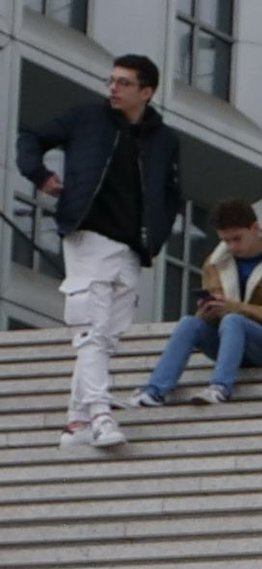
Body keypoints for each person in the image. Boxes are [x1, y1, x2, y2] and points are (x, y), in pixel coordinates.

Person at [30, 48, 177, 457]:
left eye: (124, 83)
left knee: (107, 337)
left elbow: (171, 193)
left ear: (146, 92)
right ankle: (98, 414)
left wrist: (154, 237)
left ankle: (76, 422)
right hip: (88, 237)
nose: (113, 88)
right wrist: (40, 175)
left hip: (130, 247)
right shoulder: (86, 119)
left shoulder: (163, 139)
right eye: (111, 80)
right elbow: (32, 138)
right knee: (92, 331)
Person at [142, 195, 262, 408]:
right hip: (226, 341)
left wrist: (235, 309)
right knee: (189, 323)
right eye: (225, 240)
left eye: (237, 239)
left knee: (233, 320)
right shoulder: (214, 263)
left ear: (255, 228)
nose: (231, 246)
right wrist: (209, 310)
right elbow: (210, 318)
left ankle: (220, 388)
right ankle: (154, 391)